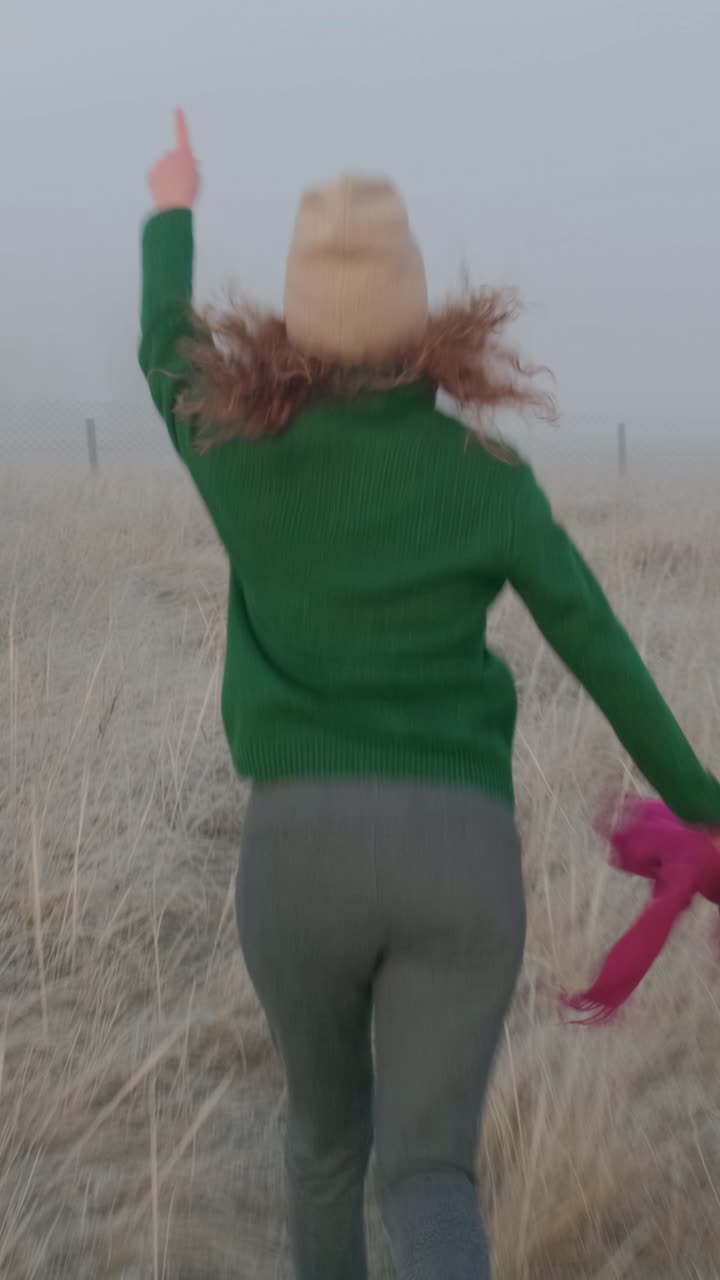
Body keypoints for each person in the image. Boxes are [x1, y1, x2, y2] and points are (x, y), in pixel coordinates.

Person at [139, 110, 720, 1280]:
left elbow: (162, 343)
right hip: (460, 853)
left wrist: (173, 202)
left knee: (321, 1146)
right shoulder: (488, 477)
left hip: (296, 853)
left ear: (299, 319)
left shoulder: (235, 453)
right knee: (429, 1175)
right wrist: (706, 799)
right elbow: (601, 645)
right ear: (417, 322)